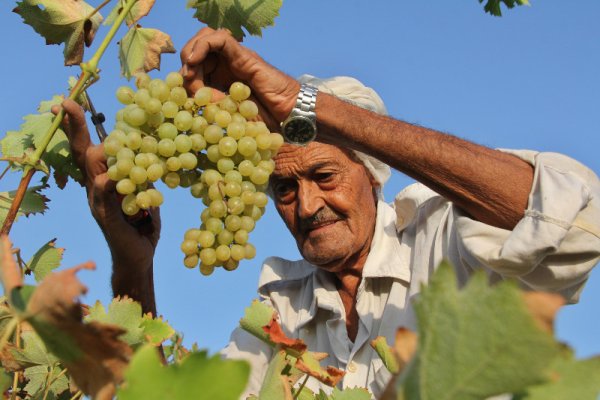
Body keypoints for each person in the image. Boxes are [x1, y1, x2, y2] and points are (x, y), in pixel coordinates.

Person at [58, 28, 600, 399]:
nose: (307, 206)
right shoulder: (280, 309)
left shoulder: (446, 244)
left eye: (324, 176)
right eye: (284, 188)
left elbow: (572, 218)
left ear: (372, 175)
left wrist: (312, 109)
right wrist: (133, 263)